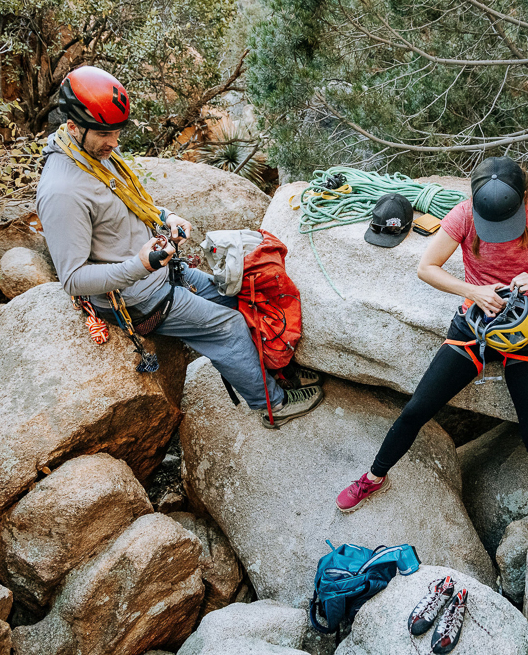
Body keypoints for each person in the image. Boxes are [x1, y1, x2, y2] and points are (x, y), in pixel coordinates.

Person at [334, 156, 528, 574]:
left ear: (525, 200)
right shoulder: (464, 214)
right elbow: (427, 267)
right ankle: (374, 476)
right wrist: (473, 290)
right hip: (473, 326)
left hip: (523, 332)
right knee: (416, 410)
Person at [36, 65, 324, 427]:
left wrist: (165, 217)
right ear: (74, 126)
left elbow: (126, 206)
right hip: (139, 298)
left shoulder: (93, 155)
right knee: (230, 325)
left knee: (242, 295)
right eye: (106, 133)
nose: (115, 143)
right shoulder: (62, 191)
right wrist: (140, 264)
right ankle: (272, 403)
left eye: (117, 132)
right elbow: (74, 279)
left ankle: (272, 371)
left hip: (162, 274)